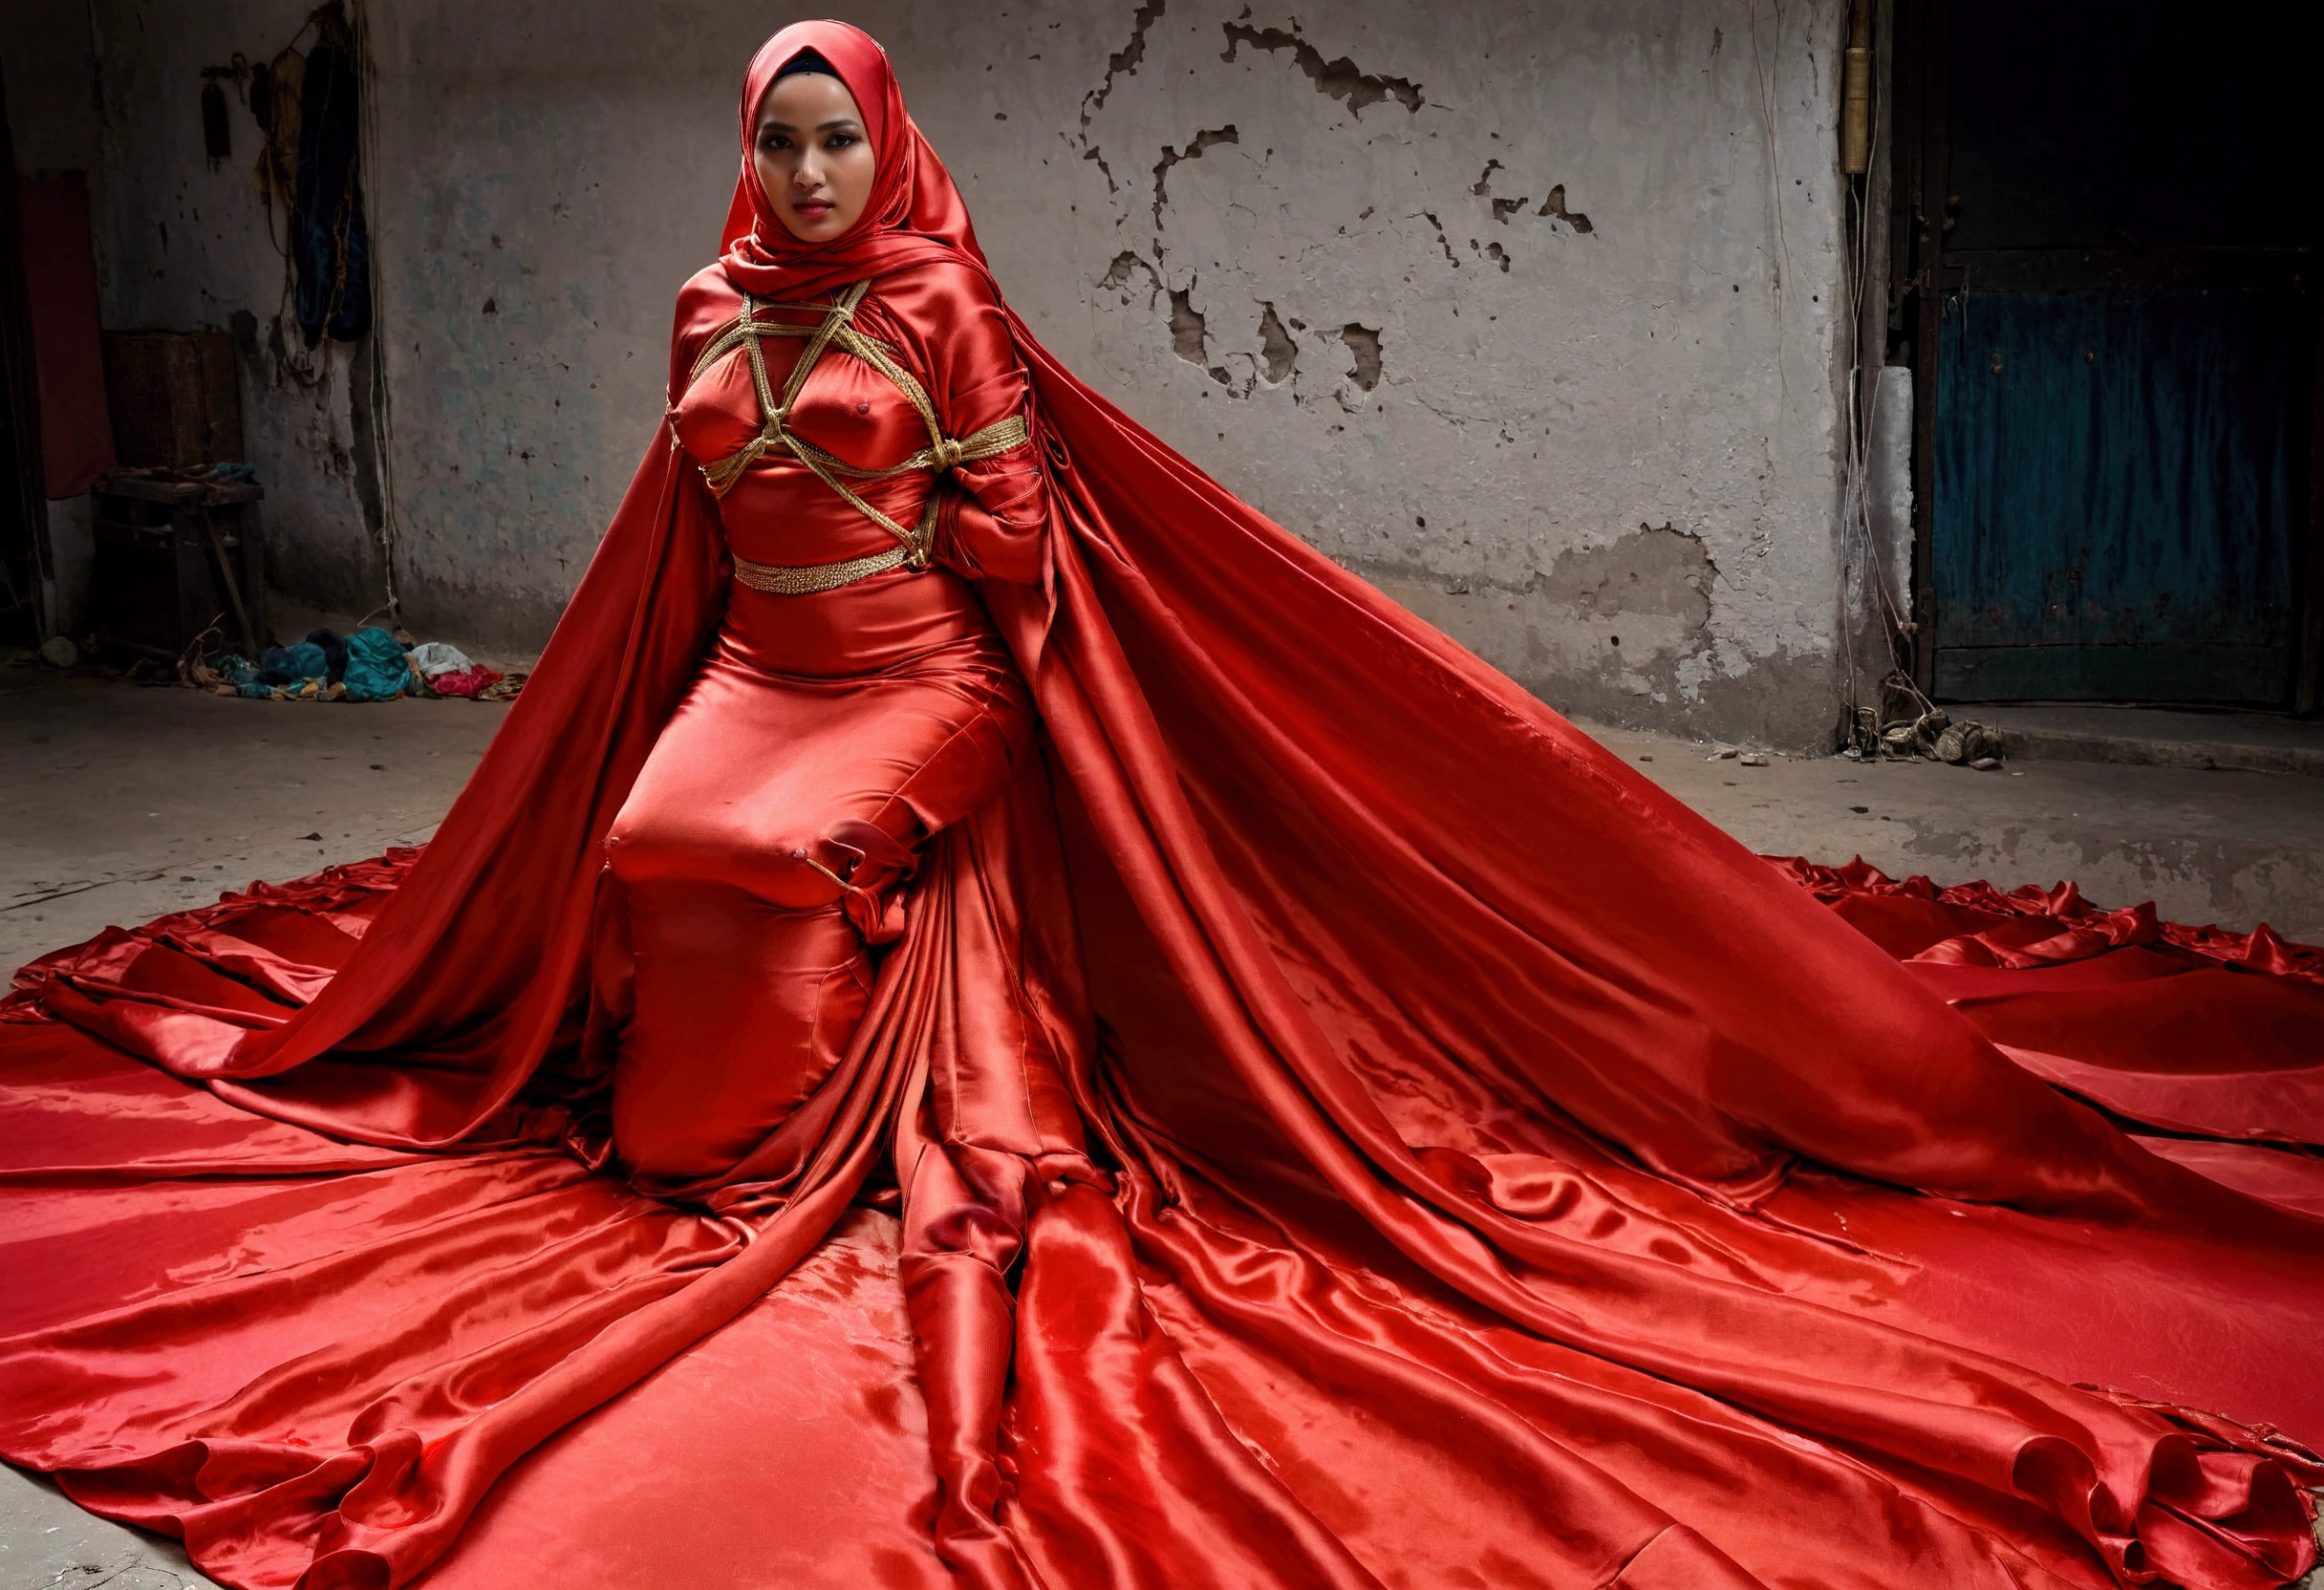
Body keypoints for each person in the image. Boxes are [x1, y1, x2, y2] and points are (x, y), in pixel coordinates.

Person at [3, 22, 2319, 1590]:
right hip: (752, 665)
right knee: (646, 841)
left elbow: (1013, 561)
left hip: (918, 683)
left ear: (886, 147)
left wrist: (977, 625)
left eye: (839, 136)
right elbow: (680, 547)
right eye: (779, 135)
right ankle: (705, 1142)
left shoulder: (942, 308)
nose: (807, 168)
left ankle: (813, 1133)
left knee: (769, 850)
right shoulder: (709, 306)